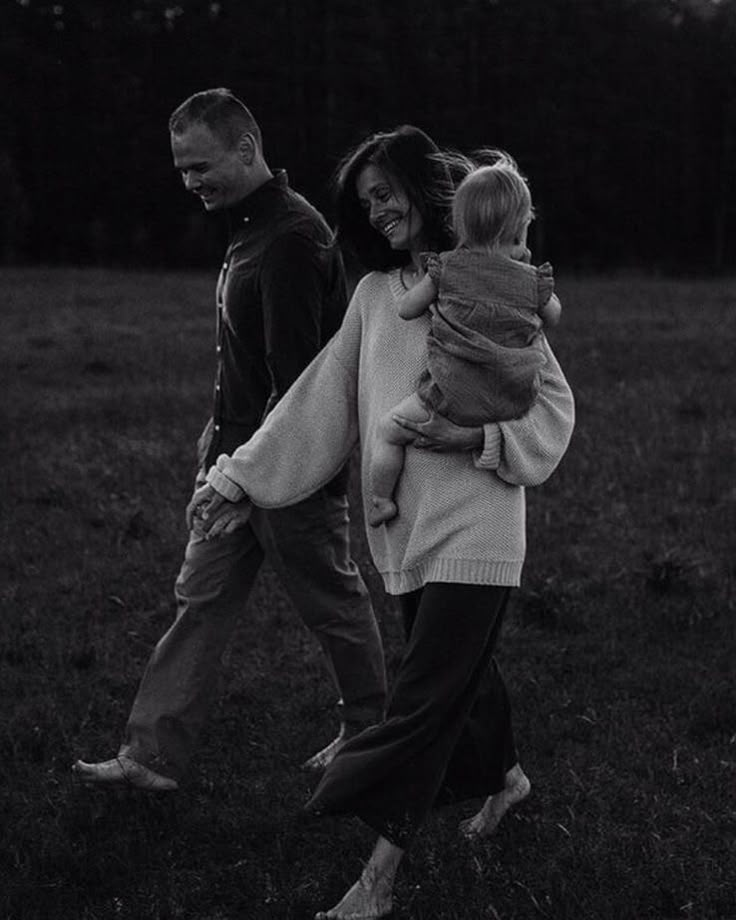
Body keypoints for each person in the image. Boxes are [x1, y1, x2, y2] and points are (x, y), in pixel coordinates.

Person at [190, 125, 575, 920]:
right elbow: (317, 402)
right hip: (404, 533)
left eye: (386, 193)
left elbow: (555, 403)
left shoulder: (490, 283)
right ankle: (507, 779)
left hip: (482, 526)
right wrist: (235, 480)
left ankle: (378, 879)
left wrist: (481, 438)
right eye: (365, 202)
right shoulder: (373, 299)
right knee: (463, 677)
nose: (378, 210)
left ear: (423, 189)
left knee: (424, 701)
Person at [72, 88, 387, 791]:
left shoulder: (292, 240)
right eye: (181, 170)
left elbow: (300, 383)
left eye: (201, 166)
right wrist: (217, 448)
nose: (190, 182)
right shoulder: (248, 226)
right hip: (233, 460)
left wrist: (249, 475)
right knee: (201, 599)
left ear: (247, 149)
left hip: (287, 467)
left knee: (330, 603)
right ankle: (149, 757)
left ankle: (371, 736)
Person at [368, 150, 562, 526]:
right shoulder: (530, 279)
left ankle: (380, 501)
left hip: (449, 396)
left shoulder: (447, 268)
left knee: (389, 430)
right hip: (513, 398)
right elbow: (553, 315)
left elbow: (407, 309)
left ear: (462, 227)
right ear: (519, 229)